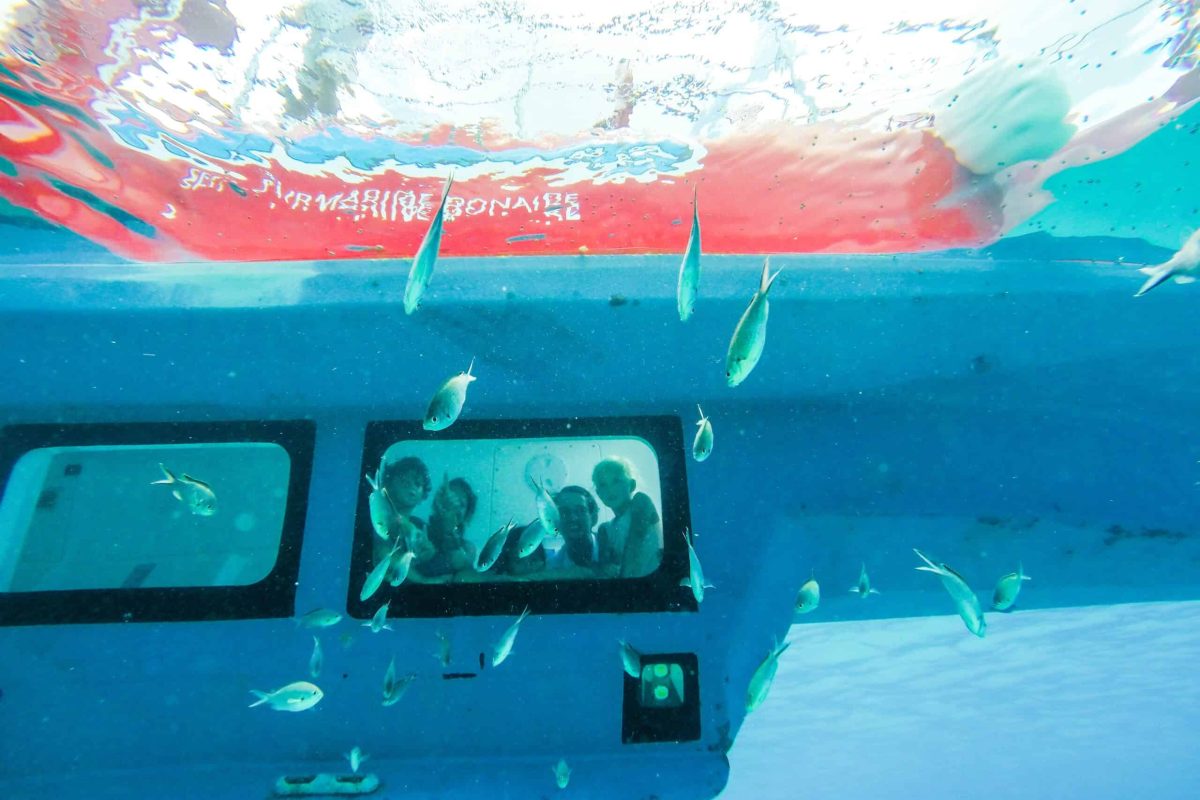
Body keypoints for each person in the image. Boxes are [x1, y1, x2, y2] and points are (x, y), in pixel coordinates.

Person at [491, 485, 602, 578]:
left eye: (580, 510)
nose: (573, 517)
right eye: (564, 512)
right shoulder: (552, 567)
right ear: (554, 521)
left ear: (593, 517)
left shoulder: (612, 543)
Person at [592, 456, 663, 578]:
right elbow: (607, 567)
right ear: (598, 493)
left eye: (616, 481)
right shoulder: (605, 529)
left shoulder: (642, 501)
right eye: (603, 484)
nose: (610, 489)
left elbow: (634, 547)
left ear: (632, 485)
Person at [372, 456, 433, 570]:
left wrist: (429, 554)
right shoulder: (378, 519)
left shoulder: (422, 526)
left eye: (417, 483)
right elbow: (382, 555)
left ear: (422, 495)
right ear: (388, 484)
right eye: (404, 479)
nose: (411, 485)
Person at [414, 476, 478, 579]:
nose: (453, 506)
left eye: (461, 504)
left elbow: (462, 570)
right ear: (438, 503)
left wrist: (449, 525)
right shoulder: (417, 527)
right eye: (449, 501)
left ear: (467, 512)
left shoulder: (468, 548)